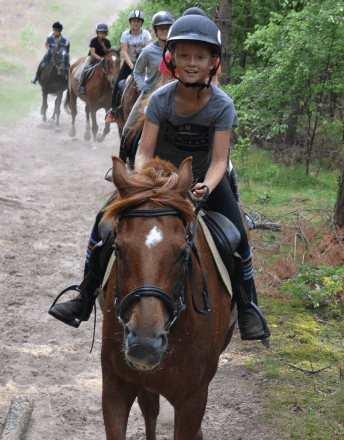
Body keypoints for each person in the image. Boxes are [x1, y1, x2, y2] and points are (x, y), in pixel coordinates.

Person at [49, 15, 271, 343]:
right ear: (172, 59)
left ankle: (248, 305)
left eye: (200, 57)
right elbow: (143, 151)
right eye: (184, 56)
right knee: (103, 224)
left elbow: (221, 160)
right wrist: (148, 180)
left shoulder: (223, 106)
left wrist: (206, 186)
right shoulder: (159, 100)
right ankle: (84, 295)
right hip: (158, 178)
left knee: (238, 233)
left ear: (213, 62)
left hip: (204, 179)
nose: (192, 63)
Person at [119, 11, 174, 163]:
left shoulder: (177, 50)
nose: (165, 31)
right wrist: (143, 87)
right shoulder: (148, 51)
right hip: (149, 94)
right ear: (155, 30)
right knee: (128, 128)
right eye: (161, 28)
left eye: (168, 28)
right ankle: (121, 164)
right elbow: (137, 71)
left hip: (173, 95)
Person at [105, 10, 151, 123]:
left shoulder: (146, 34)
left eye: (138, 21)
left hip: (144, 63)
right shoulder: (125, 34)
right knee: (118, 83)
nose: (136, 23)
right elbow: (124, 52)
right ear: (131, 22)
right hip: (129, 63)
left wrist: (140, 64)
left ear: (141, 22)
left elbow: (148, 49)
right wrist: (131, 65)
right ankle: (113, 110)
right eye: (134, 21)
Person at [77, 23, 112, 95]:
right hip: (92, 57)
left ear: (106, 34)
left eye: (103, 33)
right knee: (85, 67)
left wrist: (104, 47)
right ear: (97, 33)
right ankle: (81, 84)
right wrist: (100, 59)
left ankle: (112, 84)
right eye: (100, 32)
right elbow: (92, 53)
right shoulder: (93, 41)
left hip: (104, 58)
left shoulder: (107, 42)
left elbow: (108, 52)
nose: (102, 34)